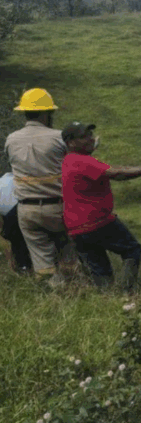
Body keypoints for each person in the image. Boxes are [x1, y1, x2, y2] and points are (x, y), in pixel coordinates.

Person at [61, 122, 141, 290]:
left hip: (76, 228)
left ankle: (109, 298)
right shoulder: (83, 161)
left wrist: (90, 149)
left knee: (100, 271)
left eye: (90, 135)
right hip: (97, 221)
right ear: (70, 142)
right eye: (84, 137)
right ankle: (125, 291)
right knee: (132, 250)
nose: (91, 139)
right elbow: (118, 174)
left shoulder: (69, 159)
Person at [4, 88, 75, 287]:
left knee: (42, 260)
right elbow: (73, 165)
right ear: (46, 113)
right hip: (58, 207)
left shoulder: (11, 139)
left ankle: (49, 290)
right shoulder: (58, 137)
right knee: (68, 253)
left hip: (26, 210)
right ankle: (72, 289)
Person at [0, 172, 33, 275]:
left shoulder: (1, 182)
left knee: (16, 241)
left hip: (9, 216)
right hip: (24, 209)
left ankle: (23, 266)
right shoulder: (18, 179)